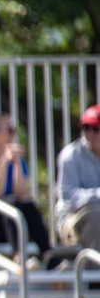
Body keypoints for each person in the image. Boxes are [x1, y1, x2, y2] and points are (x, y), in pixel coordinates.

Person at [0, 113, 59, 270]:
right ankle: (19, 256)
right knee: (10, 203)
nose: (12, 134)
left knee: (27, 205)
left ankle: (49, 256)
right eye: (8, 129)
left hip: (5, 223)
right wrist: (3, 163)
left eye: (14, 130)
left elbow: (22, 194)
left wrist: (17, 164)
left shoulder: (15, 160)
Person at [56, 104, 100, 252]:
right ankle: (95, 274)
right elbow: (69, 197)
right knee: (96, 217)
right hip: (72, 219)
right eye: (86, 128)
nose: (90, 134)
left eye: (96, 129)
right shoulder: (71, 155)